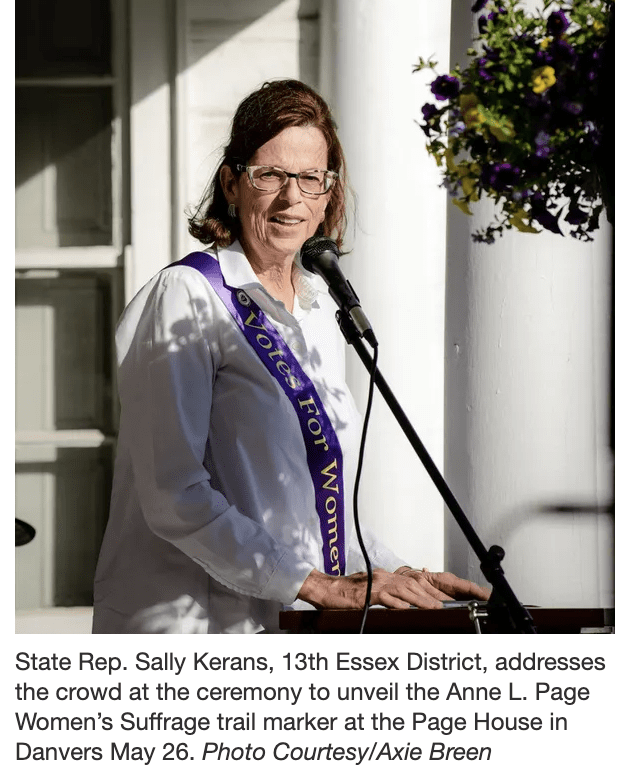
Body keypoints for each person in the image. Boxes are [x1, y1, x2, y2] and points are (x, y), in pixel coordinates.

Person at [93, 79, 489, 633]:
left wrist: (392, 574)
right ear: (232, 183)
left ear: (329, 191)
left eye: (310, 179)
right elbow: (172, 493)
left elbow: (315, 509)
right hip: (191, 639)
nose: (291, 199)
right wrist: (318, 586)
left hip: (285, 633)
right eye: (271, 176)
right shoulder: (188, 295)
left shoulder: (313, 307)